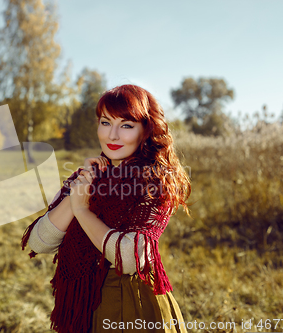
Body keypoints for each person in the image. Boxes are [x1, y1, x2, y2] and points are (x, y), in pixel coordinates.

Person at [21, 84, 192, 333]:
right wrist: (81, 189)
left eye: (126, 125)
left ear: (146, 129)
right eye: (105, 122)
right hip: (83, 304)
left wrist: (83, 212)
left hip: (131, 303)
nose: (112, 135)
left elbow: (131, 258)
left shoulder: (155, 180)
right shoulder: (86, 176)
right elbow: (39, 243)